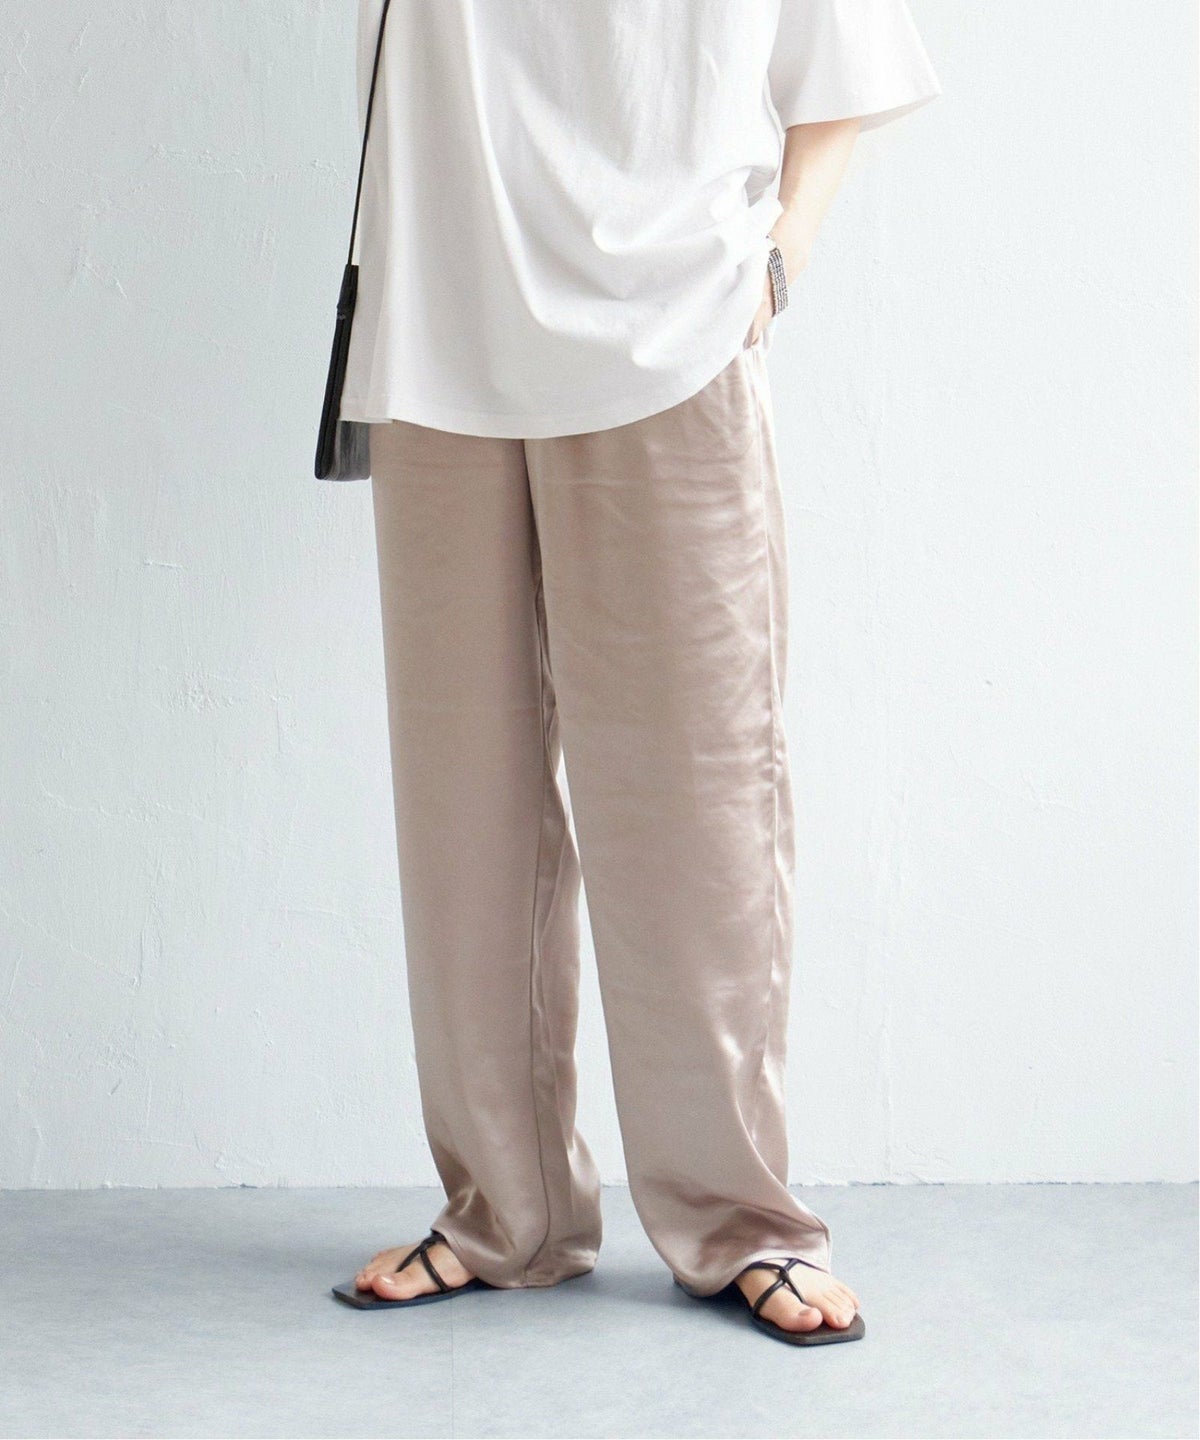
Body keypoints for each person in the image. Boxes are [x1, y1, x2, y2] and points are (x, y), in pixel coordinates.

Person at [334, 0, 940, 1346]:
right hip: (435, 328)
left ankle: (742, 1221)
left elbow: (844, 56)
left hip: (671, 333)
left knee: (697, 809)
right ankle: (503, 1214)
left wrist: (774, 262)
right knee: (464, 818)